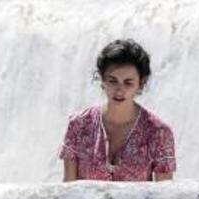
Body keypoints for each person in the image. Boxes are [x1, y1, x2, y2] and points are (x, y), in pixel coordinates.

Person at [60, 39, 176, 182]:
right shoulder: (78, 125)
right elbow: (68, 193)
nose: (119, 90)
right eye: (112, 81)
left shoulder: (159, 133)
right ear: (102, 79)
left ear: (141, 83)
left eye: (128, 83)